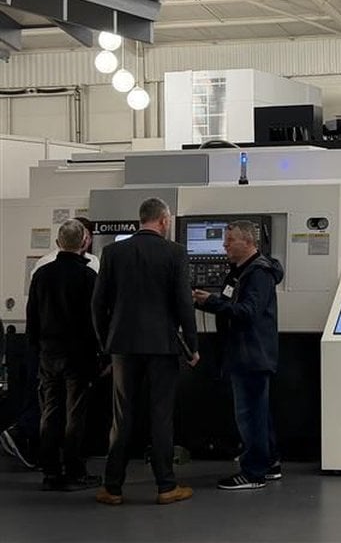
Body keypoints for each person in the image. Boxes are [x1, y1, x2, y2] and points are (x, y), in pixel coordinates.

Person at [91, 198, 199, 505]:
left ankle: (112, 488)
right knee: (161, 416)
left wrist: (105, 344)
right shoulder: (175, 252)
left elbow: (98, 304)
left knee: (122, 416)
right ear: (164, 221)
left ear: (141, 219)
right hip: (162, 346)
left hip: (123, 347)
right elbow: (184, 303)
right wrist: (192, 346)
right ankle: (166, 486)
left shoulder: (113, 253)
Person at [0, 218, 99, 470]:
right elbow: (95, 318)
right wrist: (99, 352)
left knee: (49, 409)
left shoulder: (41, 273)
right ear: (85, 241)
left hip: (47, 352)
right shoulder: (89, 274)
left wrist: (36, 347)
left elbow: (32, 314)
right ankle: (73, 468)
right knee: (74, 412)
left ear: (57, 242)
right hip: (78, 354)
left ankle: (50, 468)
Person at [193, 220, 284, 490]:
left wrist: (212, 302)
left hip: (251, 354)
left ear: (248, 242)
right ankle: (269, 463)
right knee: (259, 412)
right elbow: (231, 303)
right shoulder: (239, 272)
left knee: (250, 415)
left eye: (230, 240)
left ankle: (253, 473)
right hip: (245, 353)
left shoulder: (258, 274)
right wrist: (206, 303)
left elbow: (247, 312)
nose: (224, 246)